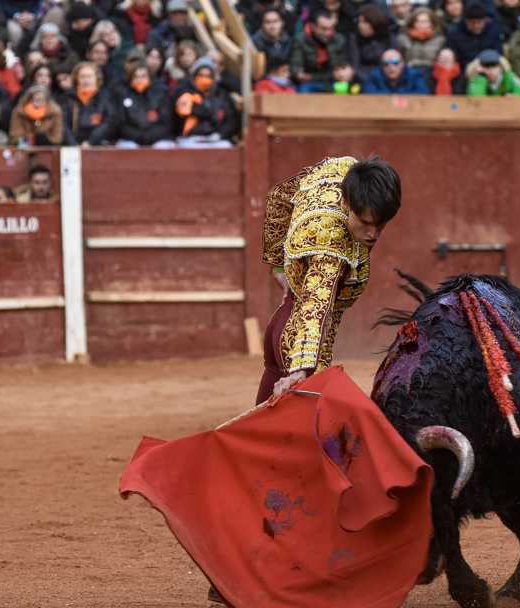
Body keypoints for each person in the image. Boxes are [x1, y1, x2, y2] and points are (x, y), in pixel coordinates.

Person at [257, 155, 402, 403]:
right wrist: (303, 368)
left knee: (258, 426)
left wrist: (278, 265)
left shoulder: (342, 171)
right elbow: (316, 303)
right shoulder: (331, 243)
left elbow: (279, 197)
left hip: (282, 323)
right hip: (299, 344)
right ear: (346, 203)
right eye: (365, 223)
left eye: (381, 225)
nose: (373, 234)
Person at [172, 57, 238, 146]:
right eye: (201, 75)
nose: (204, 79)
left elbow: (231, 121)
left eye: (208, 76)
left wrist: (220, 135)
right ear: (194, 76)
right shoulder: (184, 93)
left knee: (225, 145)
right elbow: (175, 120)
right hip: (190, 138)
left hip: (216, 138)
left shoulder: (222, 95)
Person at [109, 62, 172, 146]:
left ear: (149, 78)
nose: (139, 80)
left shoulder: (160, 94)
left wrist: (149, 136)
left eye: (143, 76)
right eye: (136, 76)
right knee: (128, 146)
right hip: (131, 139)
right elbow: (120, 123)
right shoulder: (123, 94)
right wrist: (139, 136)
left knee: (162, 146)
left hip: (157, 138)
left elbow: (166, 122)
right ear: (131, 79)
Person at [291, 10, 348, 93]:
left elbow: (340, 71)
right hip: (308, 84)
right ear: (313, 26)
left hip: (332, 82)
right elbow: (297, 72)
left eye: (331, 28)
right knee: (304, 90)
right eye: (324, 29)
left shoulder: (339, 39)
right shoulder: (301, 40)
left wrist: (311, 77)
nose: (328, 33)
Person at [64, 61, 114, 145]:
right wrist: (74, 145)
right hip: (73, 145)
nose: (86, 80)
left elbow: (109, 122)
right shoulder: (68, 98)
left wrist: (90, 142)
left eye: (89, 76)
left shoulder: (105, 97)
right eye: (82, 77)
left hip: (98, 144)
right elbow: (64, 125)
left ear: (96, 78)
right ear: (76, 79)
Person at [446, 1, 503, 68]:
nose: (476, 26)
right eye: (472, 23)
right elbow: (455, 58)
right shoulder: (455, 33)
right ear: (466, 21)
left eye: (479, 22)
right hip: (466, 67)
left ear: (485, 20)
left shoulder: (493, 30)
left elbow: (498, 52)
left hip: (490, 65)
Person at [349, 4, 397, 80]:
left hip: (387, 77)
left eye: (364, 22)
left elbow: (394, 62)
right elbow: (355, 65)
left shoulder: (388, 37)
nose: (360, 25)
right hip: (364, 78)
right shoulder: (355, 39)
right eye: (359, 22)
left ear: (374, 23)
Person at [397, 7, 444, 76]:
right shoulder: (404, 39)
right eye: (418, 21)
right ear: (413, 23)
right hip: (409, 74)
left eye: (425, 21)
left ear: (432, 23)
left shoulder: (440, 40)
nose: (422, 24)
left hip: (433, 75)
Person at [362, 48, 431, 94]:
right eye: (386, 64)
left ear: (402, 64)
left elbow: (423, 93)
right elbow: (368, 94)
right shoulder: (374, 77)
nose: (391, 67)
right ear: (382, 66)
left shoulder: (414, 75)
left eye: (395, 63)